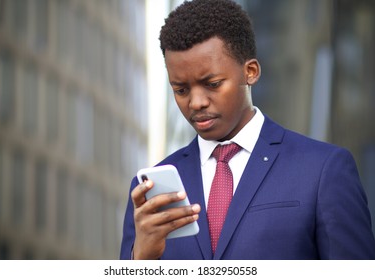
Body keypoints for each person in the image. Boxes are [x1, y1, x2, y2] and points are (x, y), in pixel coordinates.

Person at [120, 0, 375, 260]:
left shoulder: (323, 170)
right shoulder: (151, 194)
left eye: (213, 83)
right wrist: (140, 261)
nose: (196, 102)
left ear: (250, 72)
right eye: (181, 90)